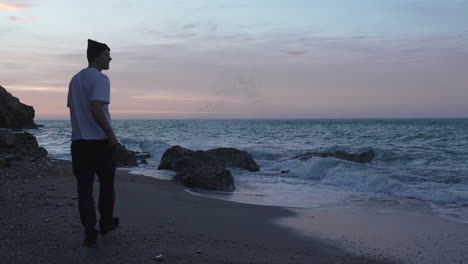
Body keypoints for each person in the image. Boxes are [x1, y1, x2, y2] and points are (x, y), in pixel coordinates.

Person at [67, 39, 119, 247]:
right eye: (107, 54)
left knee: (84, 189)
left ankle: (90, 231)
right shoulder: (100, 78)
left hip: (79, 143)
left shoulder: (75, 79)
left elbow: (73, 108)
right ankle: (105, 223)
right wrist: (111, 136)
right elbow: (96, 108)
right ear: (96, 56)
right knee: (106, 185)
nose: (110, 58)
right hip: (99, 143)